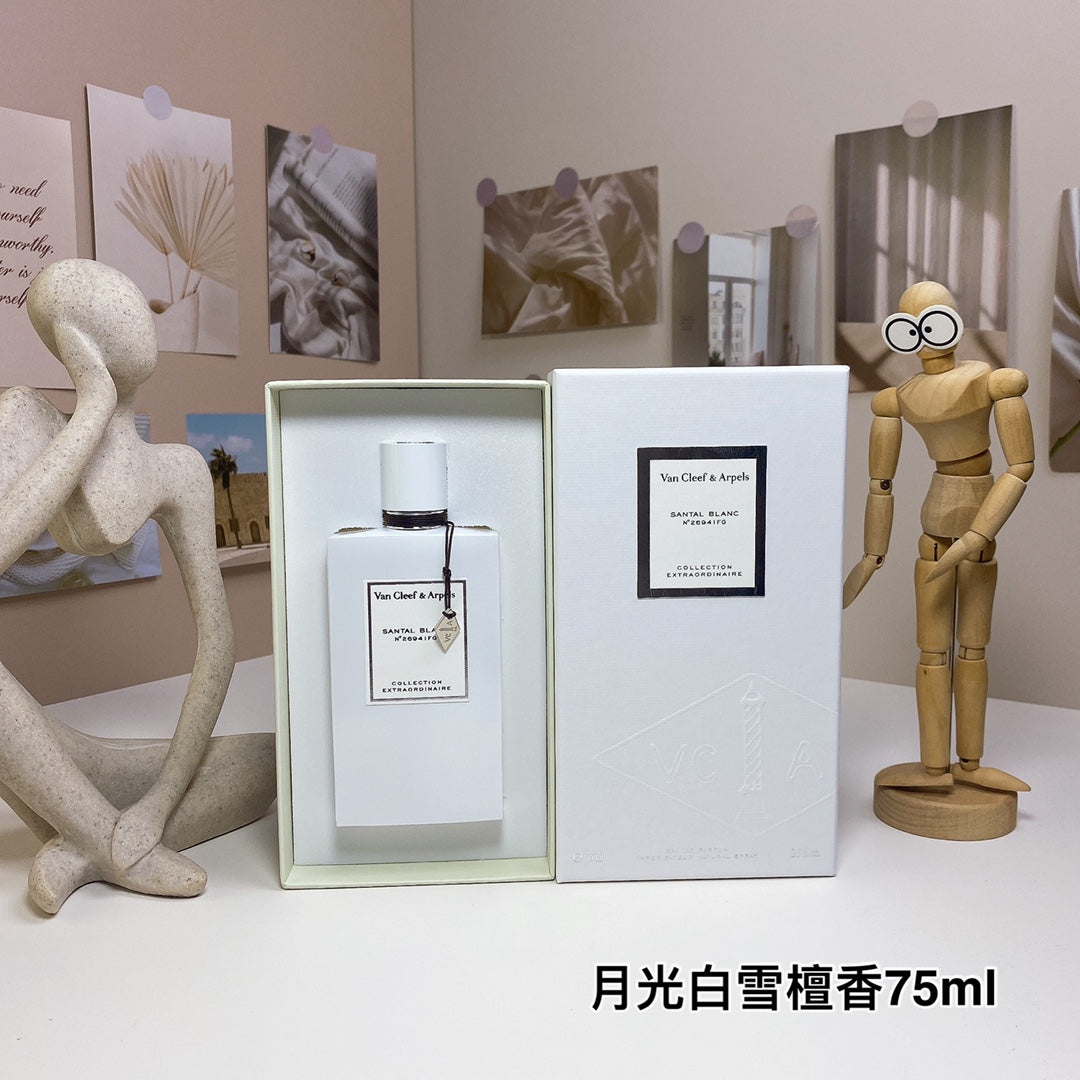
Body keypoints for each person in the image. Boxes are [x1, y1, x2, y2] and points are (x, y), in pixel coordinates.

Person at [0, 259, 273, 913]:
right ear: (73, 339)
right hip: (70, 418)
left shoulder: (177, 469)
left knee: (267, 765)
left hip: (102, 768)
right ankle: (107, 843)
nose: (139, 309)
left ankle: (79, 838)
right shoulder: (29, 421)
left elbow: (218, 645)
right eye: (107, 303)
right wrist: (92, 405)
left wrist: (157, 802)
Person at [844, 280, 1033, 796]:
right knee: (933, 652)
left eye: (932, 325)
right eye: (909, 330)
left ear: (952, 324)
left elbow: (1020, 466)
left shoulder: (991, 381)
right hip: (935, 530)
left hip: (977, 532)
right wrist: (871, 553)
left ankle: (969, 764)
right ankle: (933, 769)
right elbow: (880, 483)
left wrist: (978, 532)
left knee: (973, 648)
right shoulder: (897, 399)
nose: (925, 340)